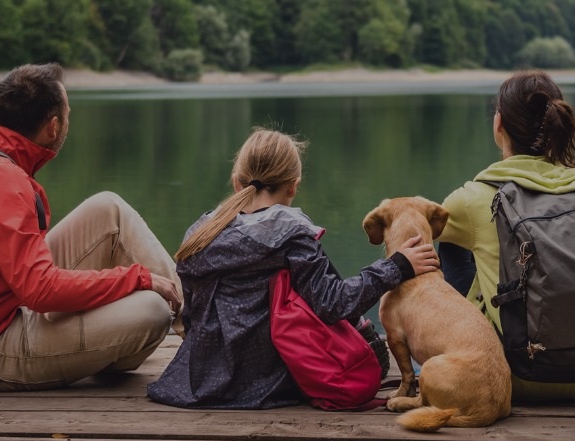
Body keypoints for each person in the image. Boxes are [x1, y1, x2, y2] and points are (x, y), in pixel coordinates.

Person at [0, 63, 183, 391]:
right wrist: (136, 278)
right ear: (53, 126)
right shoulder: (0, 182)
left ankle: (200, 327)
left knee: (108, 209)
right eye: (69, 113)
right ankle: (207, 336)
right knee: (152, 310)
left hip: (1, 305)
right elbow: (40, 291)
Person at [147, 128, 440, 409]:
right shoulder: (291, 234)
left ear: (237, 182)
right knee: (370, 348)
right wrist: (396, 267)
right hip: (266, 381)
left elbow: (192, 314)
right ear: (293, 186)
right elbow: (334, 303)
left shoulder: (200, 233)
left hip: (199, 378)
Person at [436, 70, 575, 401]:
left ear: (498, 124)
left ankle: (453, 354)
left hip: (510, 376)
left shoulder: (472, 199)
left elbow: (416, 240)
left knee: (449, 243)